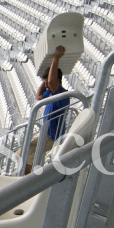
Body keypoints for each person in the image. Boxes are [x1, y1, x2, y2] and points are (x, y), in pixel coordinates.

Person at [26, 45, 69, 174]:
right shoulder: (50, 93)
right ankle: (26, 176)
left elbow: (51, 81)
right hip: (46, 132)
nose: (46, 85)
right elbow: (38, 96)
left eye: (47, 82)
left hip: (51, 135)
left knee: (27, 154)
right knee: (25, 154)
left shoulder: (60, 93)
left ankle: (25, 179)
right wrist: (44, 81)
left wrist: (56, 58)